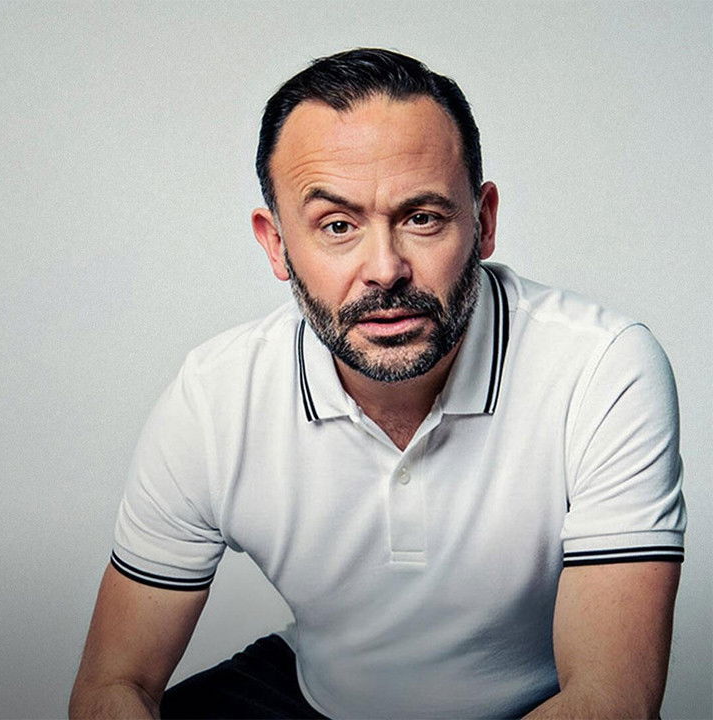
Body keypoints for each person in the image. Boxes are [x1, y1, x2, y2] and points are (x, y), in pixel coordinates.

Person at [68, 48, 686, 719]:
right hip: (311, 691)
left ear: (484, 222)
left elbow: (611, 699)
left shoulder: (602, 367)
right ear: (276, 244)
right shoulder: (215, 399)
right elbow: (113, 684)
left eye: (422, 218)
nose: (385, 270)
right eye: (337, 226)